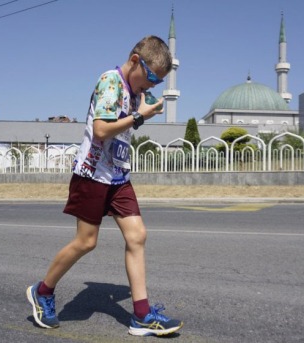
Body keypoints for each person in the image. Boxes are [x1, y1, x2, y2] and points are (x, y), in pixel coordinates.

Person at [26, 35, 183, 336]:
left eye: (159, 83)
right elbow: (100, 130)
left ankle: (141, 316)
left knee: (137, 236)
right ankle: (43, 291)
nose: (152, 85)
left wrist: (141, 108)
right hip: (92, 173)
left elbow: (125, 124)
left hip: (118, 176)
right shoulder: (110, 81)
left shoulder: (134, 91)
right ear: (135, 61)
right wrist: (139, 115)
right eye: (151, 78)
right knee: (87, 242)